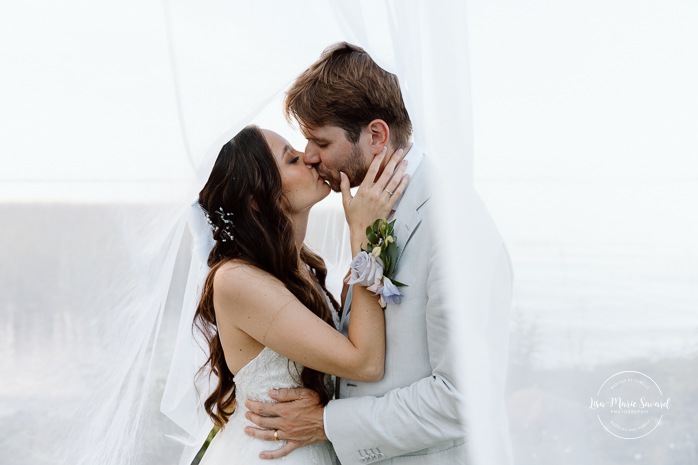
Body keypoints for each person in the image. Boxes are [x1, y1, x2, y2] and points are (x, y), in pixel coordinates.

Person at [243, 42, 512, 464]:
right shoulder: (369, 213)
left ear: (375, 136)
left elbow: (464, 399)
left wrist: (327, 423)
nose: (310, 157)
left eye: (320, 142)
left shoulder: (454, 227)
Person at [192, 124, 409, 465]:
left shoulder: (302, 269)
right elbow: (364, 363)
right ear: (256, 198)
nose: (310, 158)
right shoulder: (236, 279)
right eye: (291, 159)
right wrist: (364, 236)